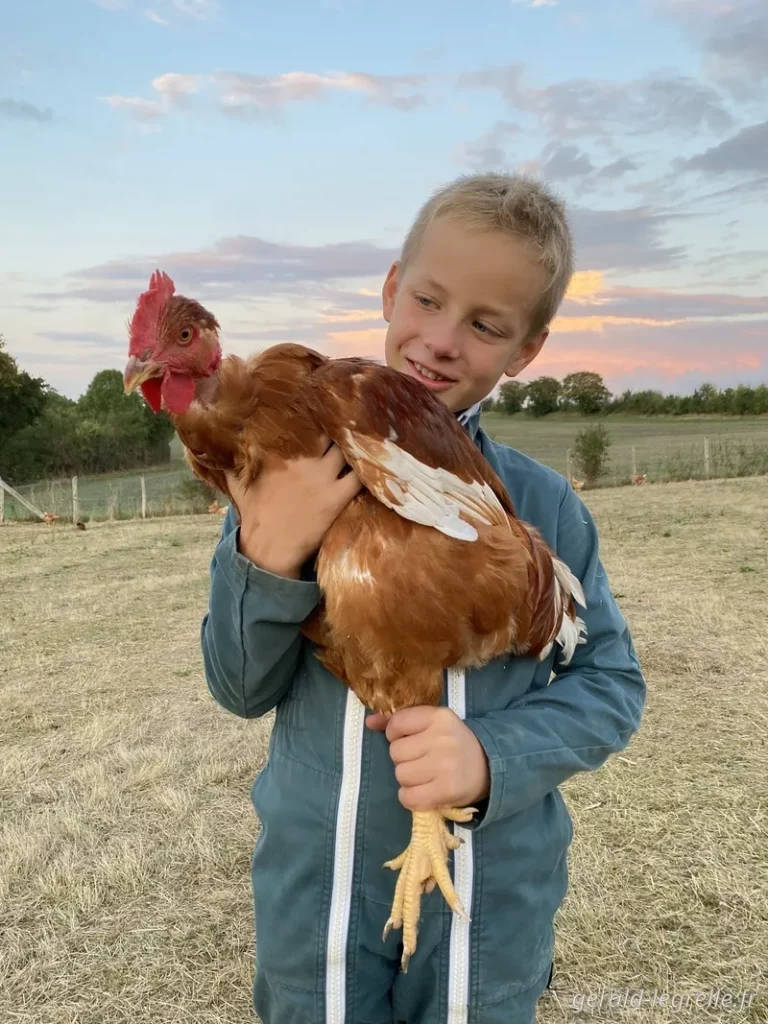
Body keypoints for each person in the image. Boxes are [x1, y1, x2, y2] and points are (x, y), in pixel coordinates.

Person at [201, 172, 647, 1024]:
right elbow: (238, 686)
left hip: (491, 900)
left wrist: (491, 758)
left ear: (527, 350)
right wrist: (269, 552)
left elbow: (612, 685)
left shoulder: (541, 505)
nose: (442, 341)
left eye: (484, 325)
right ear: (390, 289)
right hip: (321, 887)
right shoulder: (288, 476)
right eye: (429, 299)